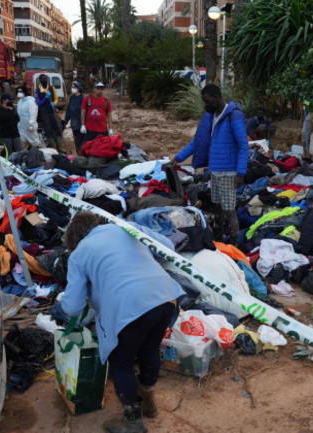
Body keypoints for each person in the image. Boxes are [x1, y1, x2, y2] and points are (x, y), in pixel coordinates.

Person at [60, 212, 185, 433]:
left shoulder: (79, 254)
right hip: (165, 296)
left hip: (129, 306)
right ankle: (149, 403)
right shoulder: (125, 227)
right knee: (150, 350)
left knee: (121, 362)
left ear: (74, 238)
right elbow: (167, 246)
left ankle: (133, 423)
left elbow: (72, 308)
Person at [170, 84, 249, 243]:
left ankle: (234, 244)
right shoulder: (209, 117)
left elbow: (243, 145)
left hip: (229, 172)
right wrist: (178, 158)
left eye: (207, 101)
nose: (205, 105)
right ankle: (219, 238)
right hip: (215, 170)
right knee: (216, 207)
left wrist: (241, 172)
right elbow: (197, 142)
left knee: (229, 210)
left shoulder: (234, 115)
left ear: (216, 98)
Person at [35, 74, 62, 150]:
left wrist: (55, 103)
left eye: (45, 78)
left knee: (58, 128)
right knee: (48, 130)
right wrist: (46, 98)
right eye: (43, 78)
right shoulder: (37, 91)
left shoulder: (52, 88)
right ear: (40, 80)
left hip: (52, 111)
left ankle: (60, 147)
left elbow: (56, 98)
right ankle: (53, 148)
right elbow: (38, 103)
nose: (45, 79)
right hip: (44, 113)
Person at [63, 81, 86, 154]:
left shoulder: (82, 98)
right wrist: (66, 121)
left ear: (78, 88)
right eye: (72, 87)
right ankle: (79, 156)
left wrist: (84, 124)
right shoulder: (72, 98)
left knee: (83, 143)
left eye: (74, 87)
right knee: (77, 142)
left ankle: (84, 156)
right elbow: (69, 110)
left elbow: (86, 111)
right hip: (74, 124)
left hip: (82, 124)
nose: (72, 89)